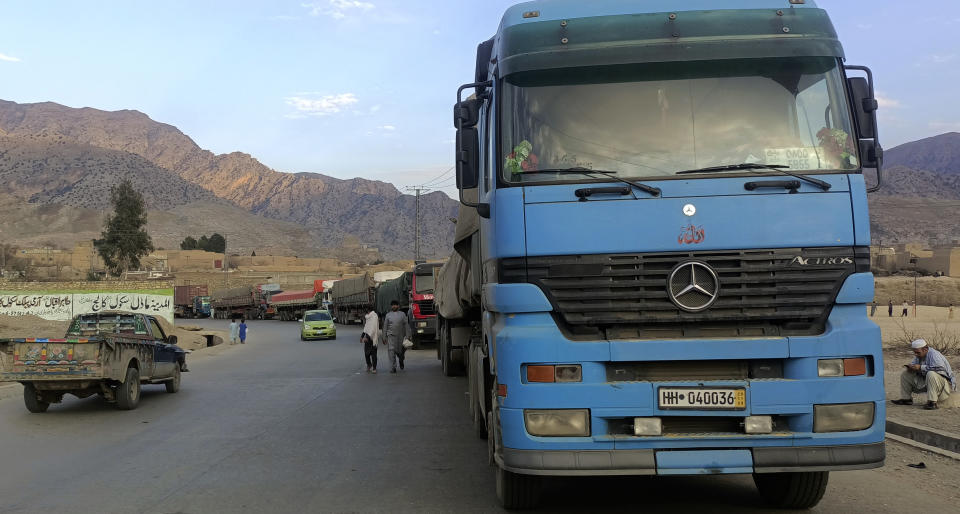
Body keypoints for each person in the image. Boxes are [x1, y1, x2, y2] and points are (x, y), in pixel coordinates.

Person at [892, 339, 956, 410]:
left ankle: (932, 402)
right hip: (930, 383)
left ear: (925, 349)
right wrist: (911, 367)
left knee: (931, 373)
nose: (916, 354)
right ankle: (906, 399)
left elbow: (940, 369)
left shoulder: (935, 355)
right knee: (906, 373)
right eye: (915, 352)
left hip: (945, 386)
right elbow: (915, 364)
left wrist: (920, 367)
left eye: (917, 352)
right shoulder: (919, 355)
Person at [383, 300, 409, 374]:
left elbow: (406, 325)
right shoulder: (388, 315)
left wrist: (407, 336)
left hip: (401, 337)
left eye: (395, 305)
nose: (394, 306)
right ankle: (393, 367)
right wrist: (384, 337)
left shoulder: (402, 314)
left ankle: (401, 361)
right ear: (391, 306)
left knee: (400, 352)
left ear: (398, 306)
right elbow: (385, 326)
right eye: (393, 305)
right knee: (391, 352)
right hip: (391, 336)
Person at [362, 306, 380, 373]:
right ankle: (369, 365)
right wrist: (362, 336)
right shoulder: (368, 317)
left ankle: (374, 368)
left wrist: (368, 337)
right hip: (367, 337)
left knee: (374, 354)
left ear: (369, 310)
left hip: (373, 338)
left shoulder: (374, 317)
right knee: (366, 353)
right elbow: (366, 327)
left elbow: (373, 328)